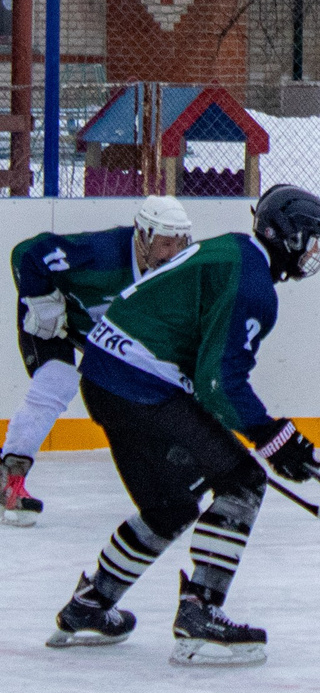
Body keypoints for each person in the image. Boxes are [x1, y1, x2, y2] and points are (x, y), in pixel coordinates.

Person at [46, 184, 320, 666]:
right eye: (310, 238)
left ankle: (91, 603)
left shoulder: (234, 251)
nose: (314, 251)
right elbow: (218, 381)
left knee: (170, 506)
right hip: (139, 384)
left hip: (105, 378)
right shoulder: (253, 284)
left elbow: (203, 373)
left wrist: (267, 434)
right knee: (243, 482)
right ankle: (201, 610)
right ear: (284, 235)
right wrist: (272, 437)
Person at [6, 196, 195, 524]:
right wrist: (41, 300)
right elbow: (29, 253)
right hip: (55, 321)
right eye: (166, 243)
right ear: (143, 236)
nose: (174, 253)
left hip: (102, 334)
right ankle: (10, 480)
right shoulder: (103, 254)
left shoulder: (175, 275)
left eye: (181, 244)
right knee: (57, 381)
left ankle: (173, 475)